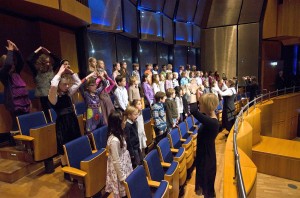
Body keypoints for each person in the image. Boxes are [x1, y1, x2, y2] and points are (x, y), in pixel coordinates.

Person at [48, 61, 82, 167]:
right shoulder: (53, 97)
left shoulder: (68, 93)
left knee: (75, 142)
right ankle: (66, 167)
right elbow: (53, 84)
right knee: (64, 145)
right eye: (64, 84)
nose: (67, 86)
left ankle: (76, 163)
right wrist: (59, 73)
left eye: (68, 84)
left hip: (72, 120)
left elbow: (78, 83)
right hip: (63, 124)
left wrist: (71, 72)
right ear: (59, 84)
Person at [190, 93, 219, 198]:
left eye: (201, 104)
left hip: (207, 160)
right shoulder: (210, 118)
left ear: (207, 106)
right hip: (204, 156)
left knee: (208, 190)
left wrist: (192, 91)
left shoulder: (212, 123)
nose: (199, 106)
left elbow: (193, 111)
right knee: (207, 188)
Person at [0, 40, 30, 132]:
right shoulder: (3, 73)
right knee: (17, 123)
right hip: (14, 103)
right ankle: (18, 142)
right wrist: (10, 51)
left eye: (13, 62)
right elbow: (8, 64)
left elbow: (21, 61)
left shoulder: (16, 71)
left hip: (24, 101)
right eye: (11, 61)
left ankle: (26, 141)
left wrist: (16, 50)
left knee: (25, 121)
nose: (12, 64)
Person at [27, 46, 60, 122]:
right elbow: (28, 60)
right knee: (48, 116)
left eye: (49, 62)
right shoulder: (36, 71)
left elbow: (58, 60)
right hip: (44, 97)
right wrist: (37, 50)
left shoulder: (51, 69)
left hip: (53, 94)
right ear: (41, 63)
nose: (48, 64)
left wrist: (48, 52)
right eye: (46, 62)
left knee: (56, 113)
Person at [106, 111, 133, 198]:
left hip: (124, 164)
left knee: (127, 190)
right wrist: (122, 177)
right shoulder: (114, 140)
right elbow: (116, 160)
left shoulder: (119, 134)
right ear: (117, 124)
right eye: (123, 121)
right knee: (122, 191)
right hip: (119, 169)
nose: (125, 122)